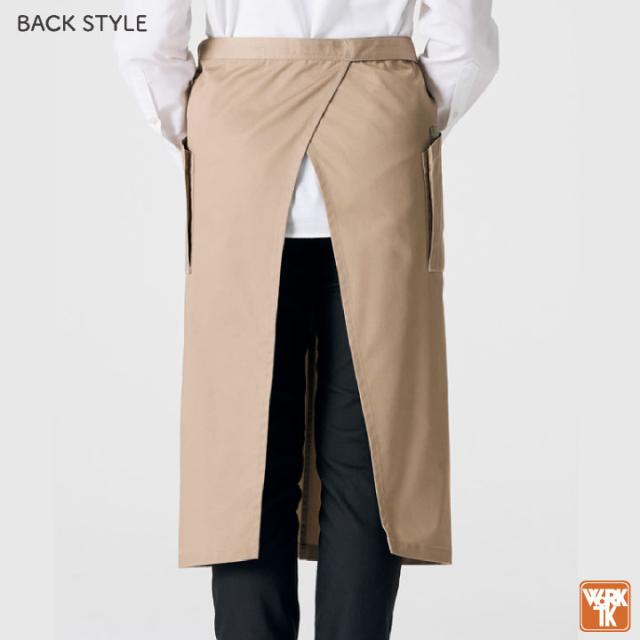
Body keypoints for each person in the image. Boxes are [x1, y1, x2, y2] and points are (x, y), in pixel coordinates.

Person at [115, 1, 499, 638]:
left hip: (239, 142)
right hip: (377, 134)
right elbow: (464, 39)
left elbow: (145, 40)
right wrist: (391, 109)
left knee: (241, 448)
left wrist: (219, 122)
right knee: (373, 443)